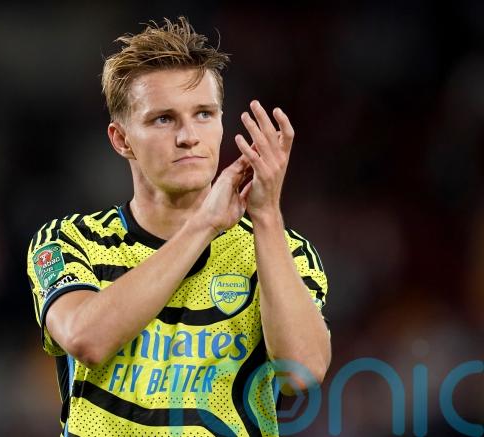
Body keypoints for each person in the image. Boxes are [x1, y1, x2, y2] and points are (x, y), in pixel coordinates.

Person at [26, 17, 331, 437]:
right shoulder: (71, 240)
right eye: (163, 119)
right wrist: (204, 226)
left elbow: (301, 374)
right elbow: (86, 340)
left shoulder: (284, 250)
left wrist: (266, 217)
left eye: (203, 114)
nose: (188, 136)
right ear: (121, 139)